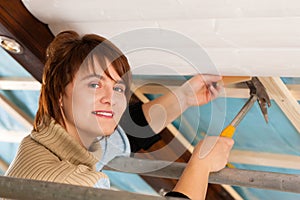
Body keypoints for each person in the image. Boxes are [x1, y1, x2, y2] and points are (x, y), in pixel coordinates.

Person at [5, 30, 234, 200]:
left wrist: (185, 97)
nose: (111, 98)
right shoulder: (74, 186)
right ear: (59, 94)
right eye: (95, 85)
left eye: (118, 88)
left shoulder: (46, 145)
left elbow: (129, 133)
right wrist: (201, 165)